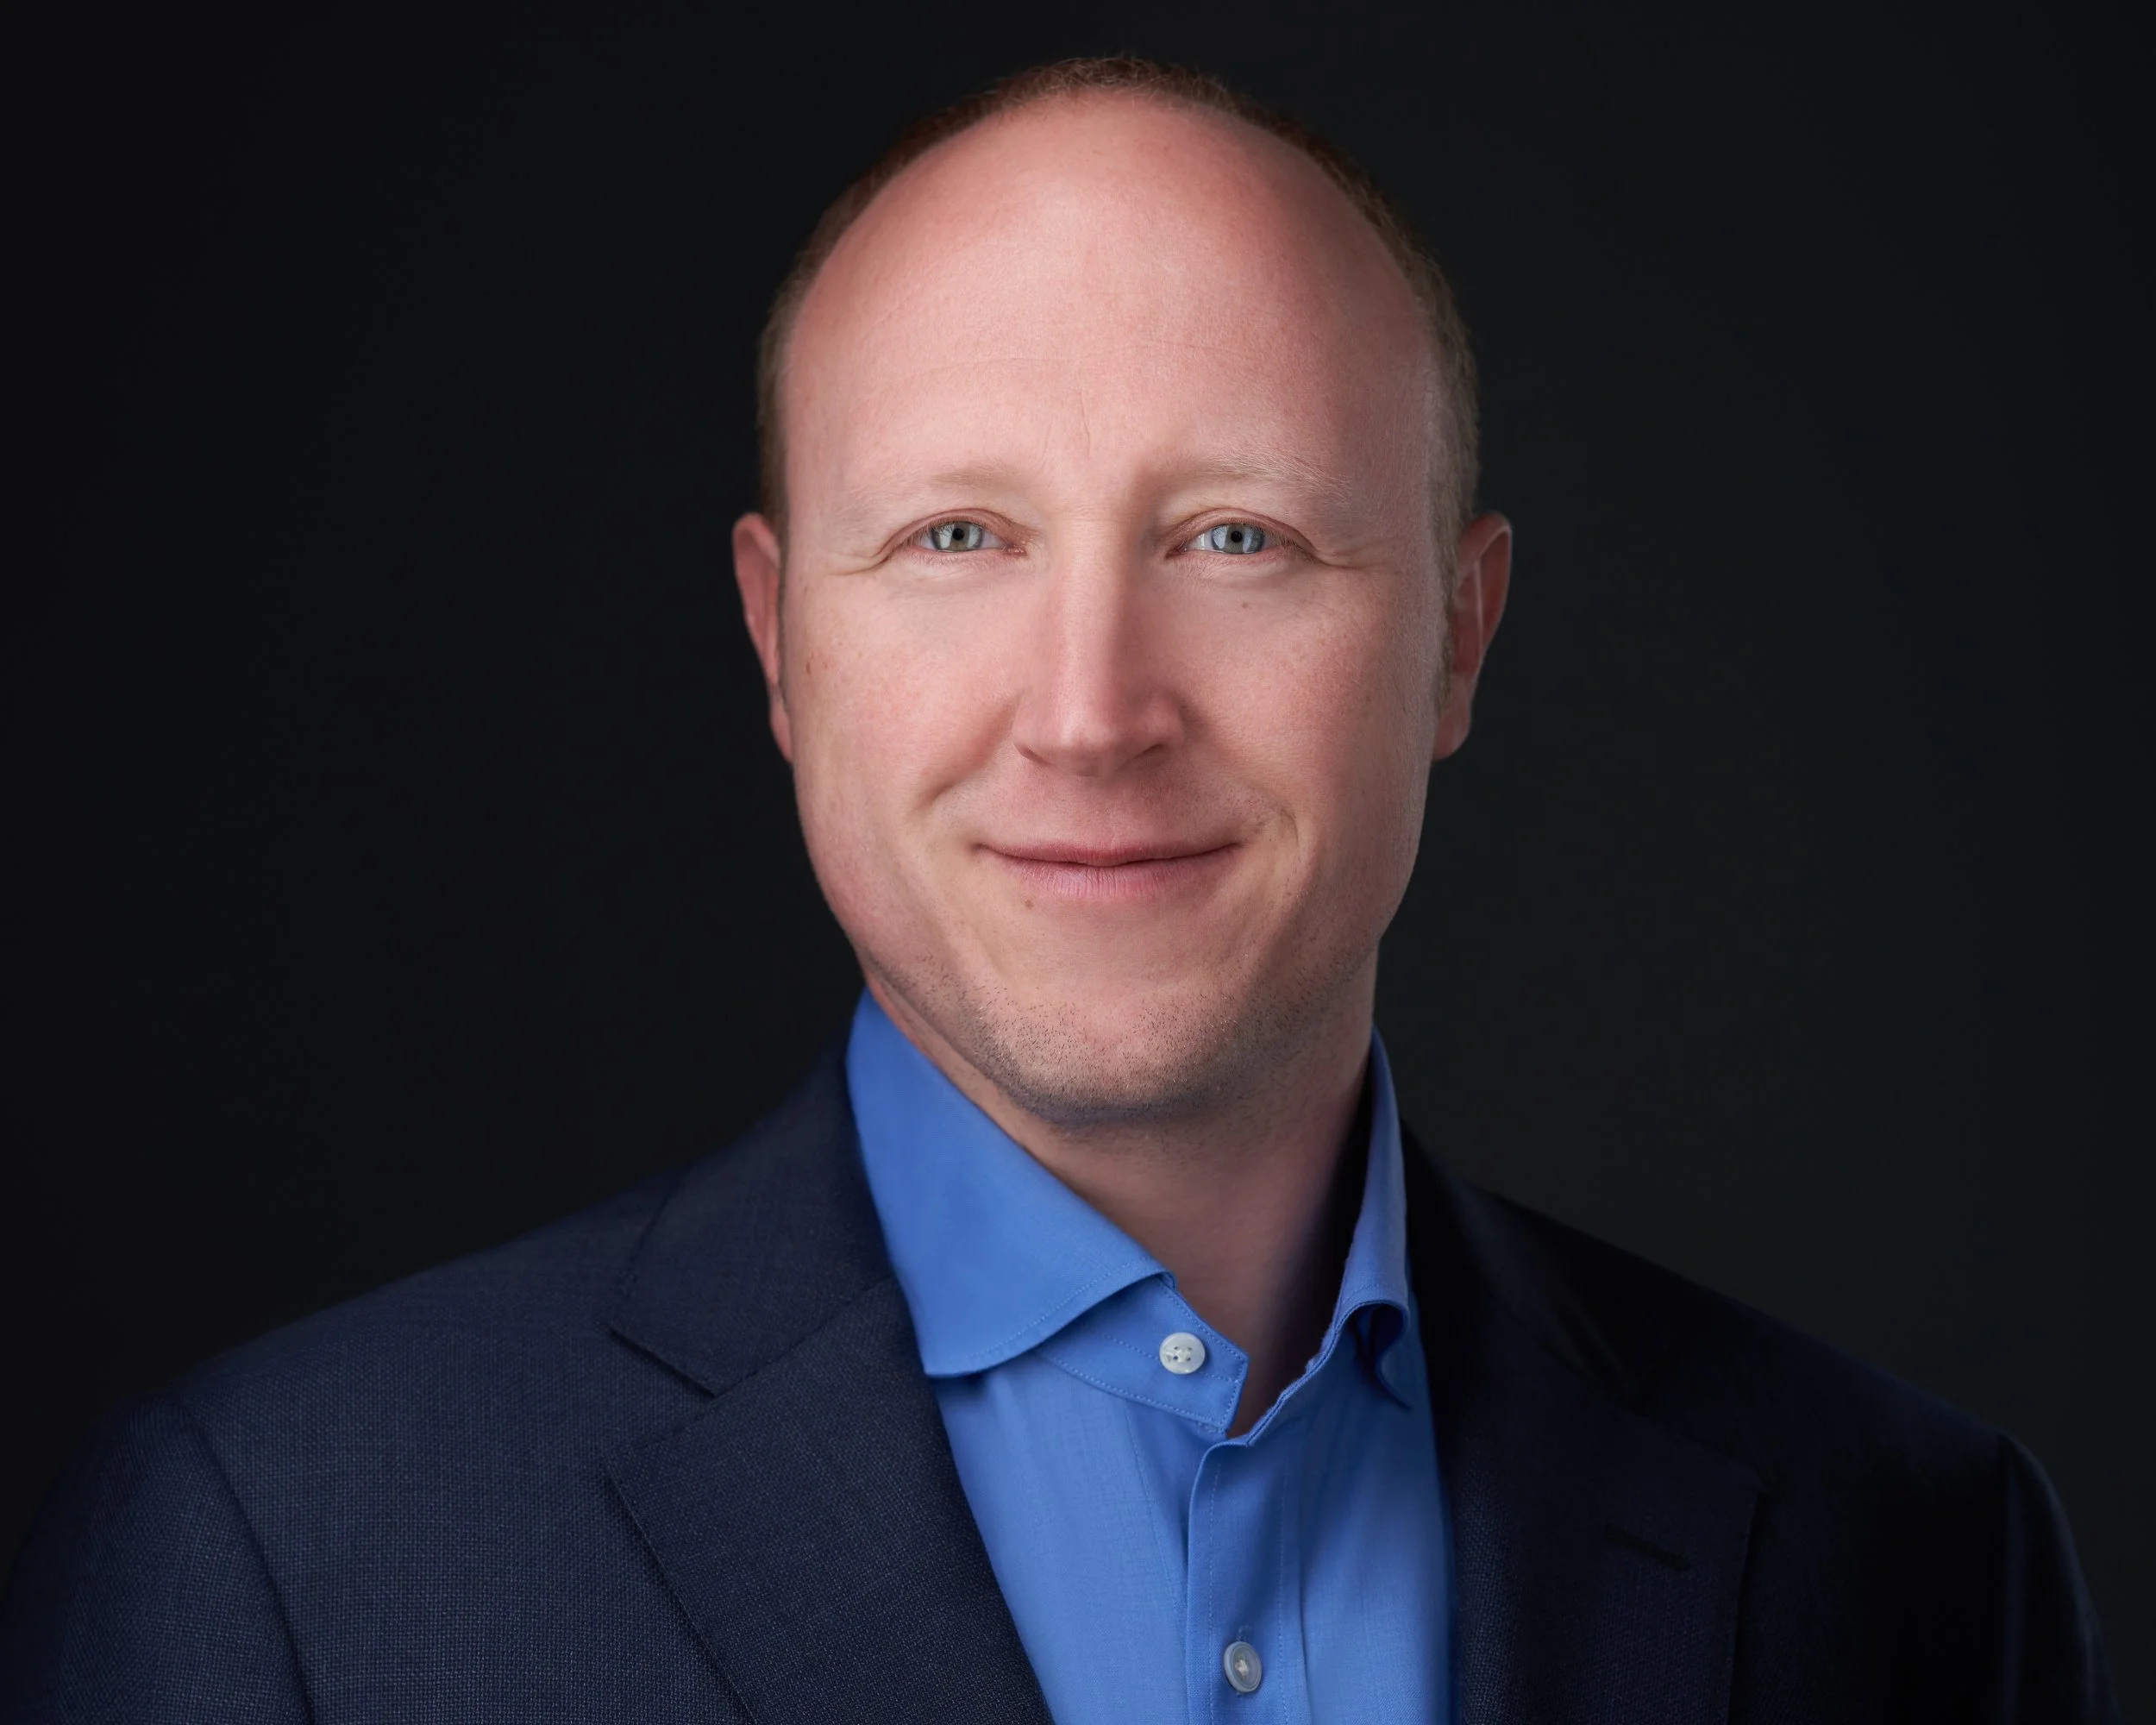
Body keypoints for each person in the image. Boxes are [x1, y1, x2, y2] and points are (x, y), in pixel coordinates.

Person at [0, 55, 2115, 1724]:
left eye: (1235, 540)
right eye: (953, 540)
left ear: (1459, 637)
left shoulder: (1910, 1553)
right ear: (774, 641)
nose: (1091, 713)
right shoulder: (285, 1558)